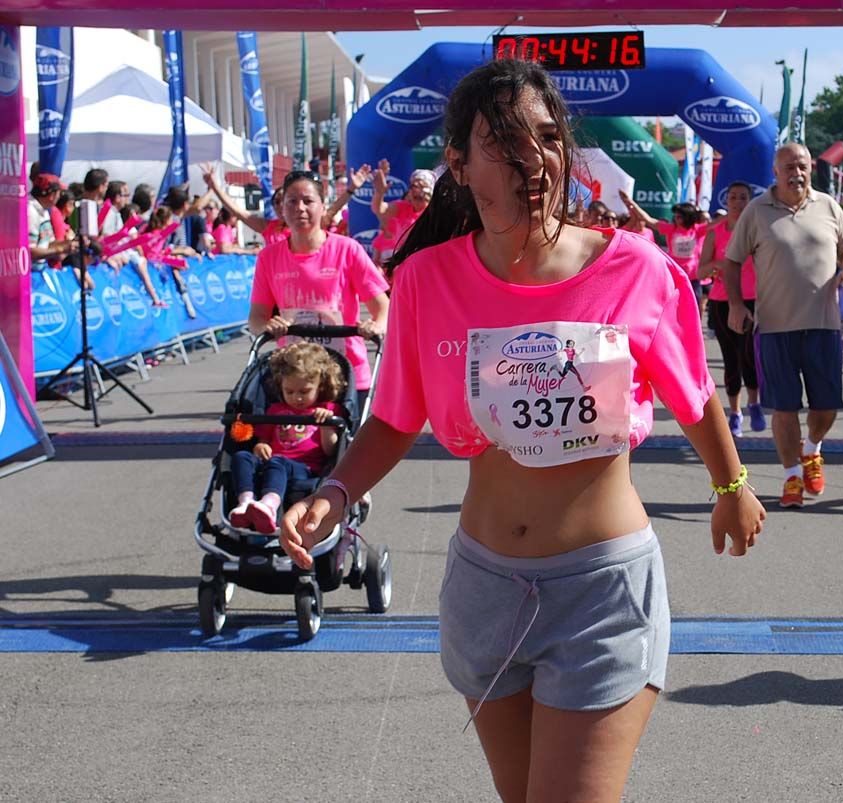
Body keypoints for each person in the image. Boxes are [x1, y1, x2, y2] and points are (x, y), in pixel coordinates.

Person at [278, 59, 764, 802]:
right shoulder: (425, 280)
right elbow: (395, 418)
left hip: (603, 588)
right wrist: (335, 492)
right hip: (483, 588)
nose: (533, 160)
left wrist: (731, 485)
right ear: (460, 164)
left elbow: (694, 395)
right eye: (503, 142)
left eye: (546, 137)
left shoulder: (638, 269)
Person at [721, 142, 843, 509]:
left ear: (811, 168)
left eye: (802, 166)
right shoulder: (757, 211)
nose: (796, 173)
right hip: (774, 328)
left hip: (824, 324)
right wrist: (736, 304)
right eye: (789, 167)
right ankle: (791, 477)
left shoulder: (828, 206)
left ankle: (812, 449)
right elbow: (731, 262)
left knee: (826, 406)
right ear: (776, 171)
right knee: (784, 408)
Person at [248, 170, 390, 407]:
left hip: (344, 371)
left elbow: (383, 307)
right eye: (291, 201)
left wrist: (376, 325)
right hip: (294, 376)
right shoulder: (268, 258)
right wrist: (268, 326)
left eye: (308, 201)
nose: (300, 208)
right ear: (282, 208)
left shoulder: (348, 250)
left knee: (344, 442)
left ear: (323, 206)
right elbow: (256, 319)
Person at [229, 342, 346, 534]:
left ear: (320, 386)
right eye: (289, 392)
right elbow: (264, 440)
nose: (296, 398)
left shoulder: (327, 411)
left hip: (304, 468)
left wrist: (326, 426)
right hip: (272, 462)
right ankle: (246, 503)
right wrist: (261, 446)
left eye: (304, 391)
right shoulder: (276, 411)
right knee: (242, 457)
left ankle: (270, 505)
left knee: (278, 462)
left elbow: (331, 451)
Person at [698, 181, 764, 436]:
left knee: (750, 355)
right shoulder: (715, 233)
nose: (738, 202)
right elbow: (701, 271)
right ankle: (735, 412)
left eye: (743, 197)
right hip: (722, 302)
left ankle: (754, 403)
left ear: (750, 201)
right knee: (731, 359)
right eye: (734, 197)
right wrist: (717, 263)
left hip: (753, 301)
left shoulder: (757, 231)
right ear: (726, 202)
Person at [620, 192, 709, 305]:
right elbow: (648, 219)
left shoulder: (697, 230)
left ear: (688, 217)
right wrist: (630, 202)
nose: (676, 218)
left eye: (679, 216)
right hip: (675, 276)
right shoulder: (671, 229)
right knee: (672, 307)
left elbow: (717, 223)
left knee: (695, 307)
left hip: (693, 278)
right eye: (675, 216)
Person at [370, 162, 434, 264]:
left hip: (426, 261)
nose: (417, 191)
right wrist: (379, 192)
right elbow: (378, 209)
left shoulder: (434, 213)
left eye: (422, 186)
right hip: (403, 261)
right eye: (414, 186)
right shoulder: (403, 208)